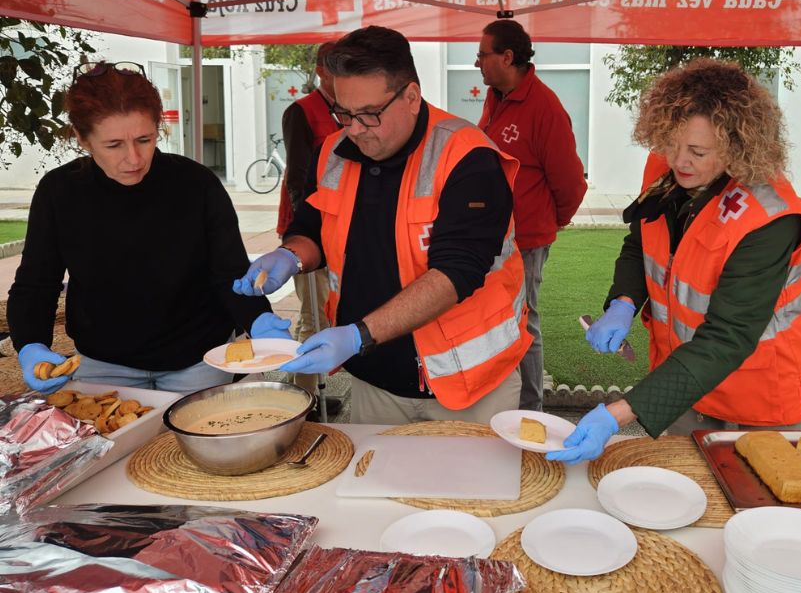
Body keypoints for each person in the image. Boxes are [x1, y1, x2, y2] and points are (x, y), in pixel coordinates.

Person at [234, 26, 531, 424]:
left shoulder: (467, 157)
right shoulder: (333, 152)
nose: (354, 129)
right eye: (343, 112)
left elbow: (456, 272)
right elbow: (313, 226)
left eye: (369, 114)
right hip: (374, 379)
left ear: (410, 96)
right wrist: (290, 256)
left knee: (470, 488)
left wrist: (358, 334)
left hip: (468, 384)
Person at [548, 59, 801, 464]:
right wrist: (624, 301)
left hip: (760, 399)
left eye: (697, 152)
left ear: (738, 146)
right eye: (672, 144)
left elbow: (726, 339)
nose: (679, 162)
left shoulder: (769, 219)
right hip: (683, 385)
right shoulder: (669, 170)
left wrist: (618, 415)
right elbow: (640, 242)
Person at [8, 61, 289, 395]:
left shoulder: (196, 184)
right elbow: (36, 283)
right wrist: (29, 344)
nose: (134, 158)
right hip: (103, 363)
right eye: (114, 145)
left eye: (145, 139)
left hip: (199, 358)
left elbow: (229, 273)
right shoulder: (60, 192)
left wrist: (258, 319)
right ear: (83, 139)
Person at [476, 19, 587, 410]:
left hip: (526, 240)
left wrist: (550, 223)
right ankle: (499, 400)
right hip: (492, 235)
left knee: (525, 322)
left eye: (482, 54)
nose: (476, 63)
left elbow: (571, 182)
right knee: (495, 317)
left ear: (507, 57)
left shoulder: (545, 108)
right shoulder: (496, 96)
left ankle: (529, 409)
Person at [276, 41, 343, 413]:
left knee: (327, 310)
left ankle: (311, 388)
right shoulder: (301, 112)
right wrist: (310, 233)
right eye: (339, 68)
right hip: (310, 232)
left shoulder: (342, 111)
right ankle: (302, 397)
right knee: (311, 314)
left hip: (337, 226)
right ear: (322, 71)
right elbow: (299, 179)